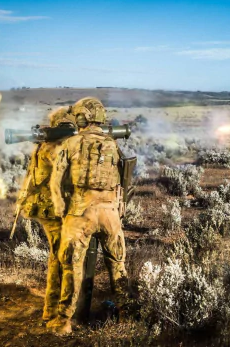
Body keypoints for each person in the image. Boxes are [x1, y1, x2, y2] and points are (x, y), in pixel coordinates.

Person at [48, 97, 129, 335]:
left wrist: (61, 207)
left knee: (72, 266)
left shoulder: (70, 144)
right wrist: (118, 207)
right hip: (110, 213)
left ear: (81, 117)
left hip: (81, 212)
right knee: (118, 265)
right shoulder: (113, 145)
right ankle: (127, 315)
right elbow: (122, 180)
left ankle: (64, 321)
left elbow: (56, 181)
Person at [17, 107, 76, 323]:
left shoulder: (45, 144)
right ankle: (55, 311)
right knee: (63, 258)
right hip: (54, 210)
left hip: (45, 208)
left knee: (57, 257)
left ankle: (52, 308)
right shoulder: (56, 147)